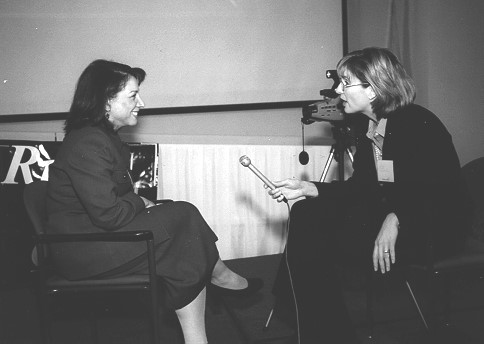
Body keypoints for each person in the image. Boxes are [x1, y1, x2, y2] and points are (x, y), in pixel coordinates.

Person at [46, 59, 263, 344]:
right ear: (105, 102)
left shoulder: (101, 138)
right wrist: (141, 203)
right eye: (133, 95)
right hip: (81, 251)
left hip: (95, 239)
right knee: (183, 220)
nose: (142, 103)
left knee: (183, 234)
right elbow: (109, 215)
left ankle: (211, 303)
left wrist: (141, 202)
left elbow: (113, 201)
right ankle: (219, 279)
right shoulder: (88, 142)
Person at [266, 47, 471, 343]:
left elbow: (440, 193)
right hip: (394, 216)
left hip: (432, 226)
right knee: (306, 213)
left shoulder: (418, 124)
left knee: (312, 240)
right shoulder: (370, 124)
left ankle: (313, 322)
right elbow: (361, 187)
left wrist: (396, 219)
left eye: (345, 82)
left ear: (372, 90)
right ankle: (321, 327)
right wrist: (309, 188)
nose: (337, 90)